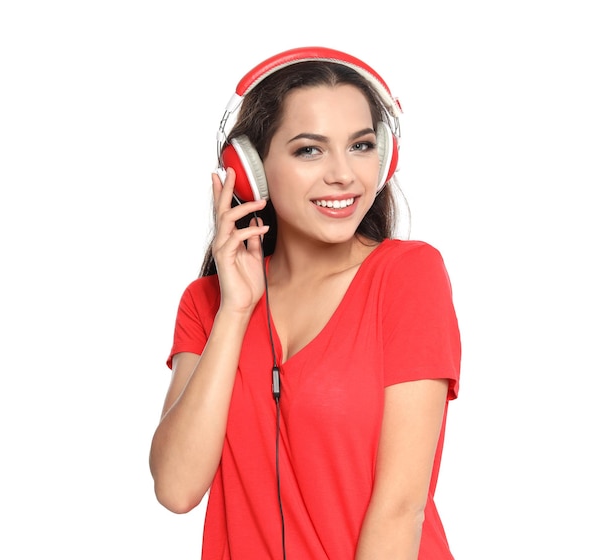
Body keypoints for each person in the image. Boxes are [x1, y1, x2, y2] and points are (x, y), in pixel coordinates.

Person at [149, 46, 461, 560]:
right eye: (310, 150)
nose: (343, 175)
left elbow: (400, 508)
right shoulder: (206, 303)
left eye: (361, 146)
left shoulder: (408, 277)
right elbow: (176, 488)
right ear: (251, 170)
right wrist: (235, 310)